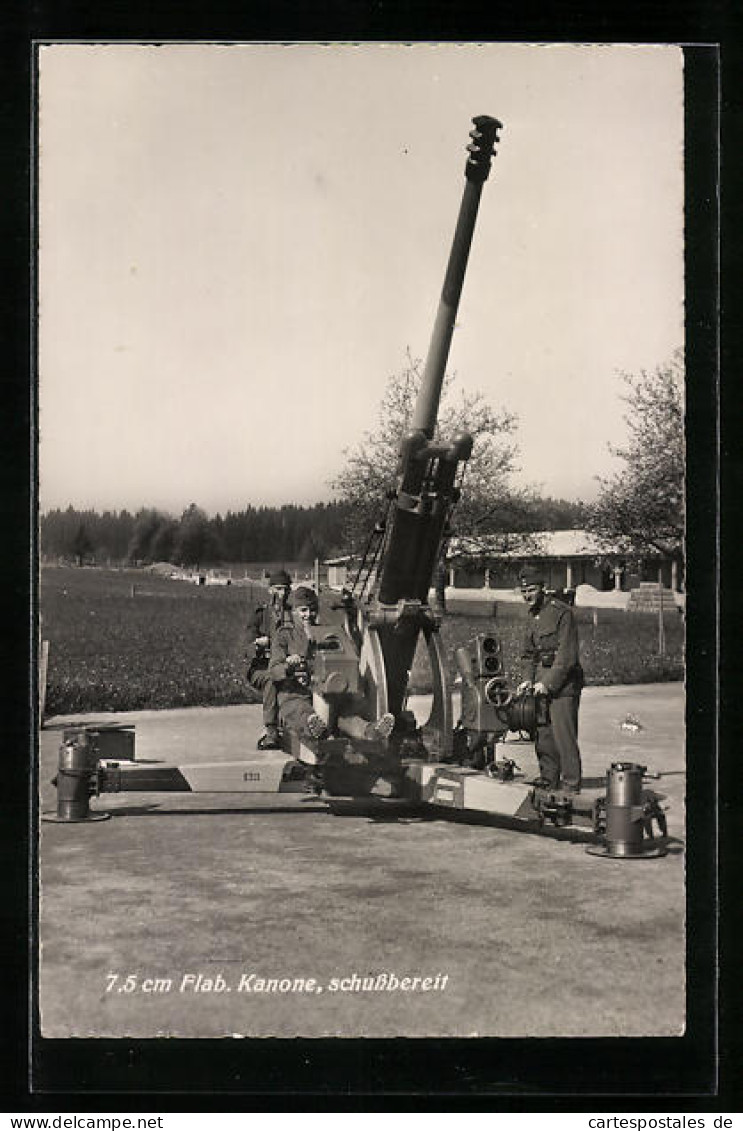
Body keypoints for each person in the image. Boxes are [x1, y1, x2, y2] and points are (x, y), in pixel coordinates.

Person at [269, 586, 395, 743]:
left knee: (346, 715)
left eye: (312, 610)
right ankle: (315, 729)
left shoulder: (327, 634)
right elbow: (274, 671)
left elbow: (347, 655)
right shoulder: (284, 635)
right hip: (296, 695)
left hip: (327, 695)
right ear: (294, 612)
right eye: (303, 610)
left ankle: (371, 731)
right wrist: (288, 666)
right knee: (302, 712)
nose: (308, 615)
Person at [517, 564, 584, 793]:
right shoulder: (531, 616)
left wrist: (546, 684)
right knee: (543, 736)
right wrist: (527, 679)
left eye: (531, 590)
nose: (527, 595)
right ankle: (549, 780)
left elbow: (567, 657)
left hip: (564, 685)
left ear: (542, 589)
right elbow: (528, 655)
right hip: (540, 683)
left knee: (563, 736)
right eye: (524, 591)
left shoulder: (562, 613)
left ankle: (571, 786)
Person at [246, 568, 292, 750]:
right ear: (270, 590)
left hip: (285, 665)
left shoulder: (294, 615)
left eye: (287, 589)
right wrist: (257, 644)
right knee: (272, 680)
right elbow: (245, 648)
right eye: (279, 589)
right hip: (261, 668)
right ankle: (271, 731)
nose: (283, 594)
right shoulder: (261, 615)